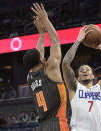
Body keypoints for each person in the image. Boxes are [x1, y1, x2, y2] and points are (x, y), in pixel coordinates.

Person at [23, 3, 71, 131]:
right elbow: (55, 41)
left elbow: (38, 54)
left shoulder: (29, 77)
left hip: (42, 127)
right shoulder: (51, 69)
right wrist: (46, 20)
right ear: (40, 59)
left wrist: (42, 35)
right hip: (58, 124)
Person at [62, 26, 101, 131]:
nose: (84, 71)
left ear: (93, 76)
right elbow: (65, 64)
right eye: (81, 70)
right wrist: (78, 41)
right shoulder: (74, 87)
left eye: (87, 70)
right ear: (78, 78)